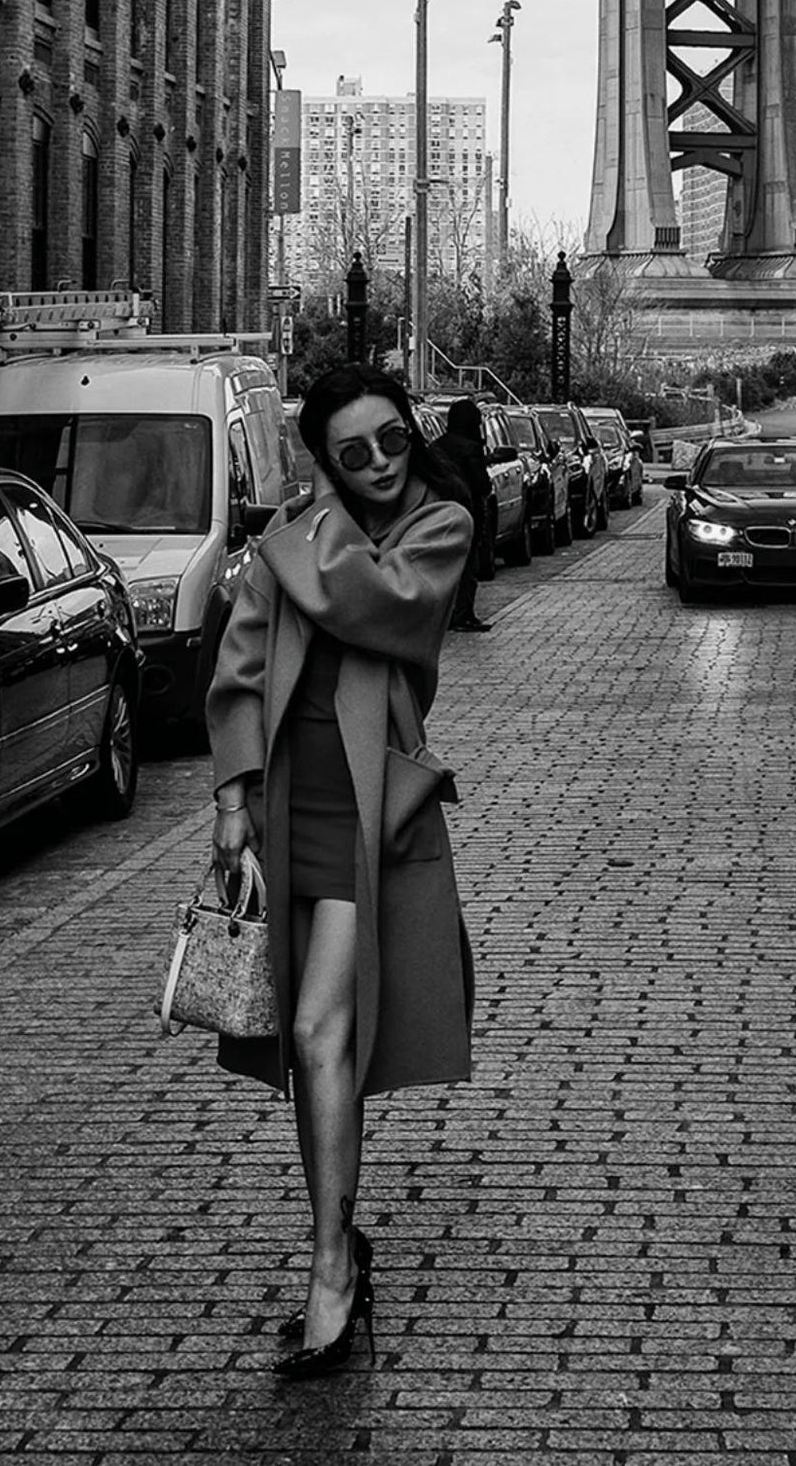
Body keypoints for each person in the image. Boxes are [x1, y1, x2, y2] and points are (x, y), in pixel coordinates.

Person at [207, 363, 475, 1380]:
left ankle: (330, 1268)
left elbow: (378, 603)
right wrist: (231, 800)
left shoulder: (437, 524)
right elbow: (239, 667)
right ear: (326, 457)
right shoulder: (298, 532)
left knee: (323, 1031)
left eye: (391, 440)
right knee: (308, 1044)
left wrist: (301, 524)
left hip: (370, 814)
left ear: (413, 432)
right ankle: (337, 1243)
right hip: (288, 808)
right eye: (351, 452)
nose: (377, 464)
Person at [438, 398, 497, 633]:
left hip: (440, 514)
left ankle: (446, 614)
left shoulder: (437, 447)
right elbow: (482, 484)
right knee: (467, 565)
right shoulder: (471, 448)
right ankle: (463, 614)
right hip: (467, 512)